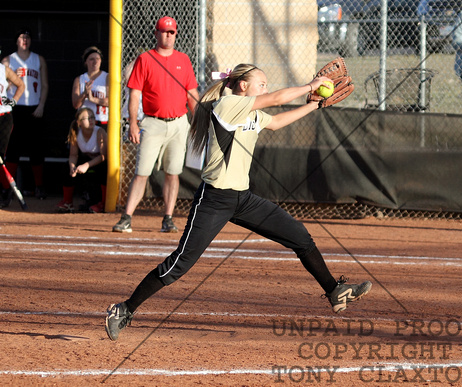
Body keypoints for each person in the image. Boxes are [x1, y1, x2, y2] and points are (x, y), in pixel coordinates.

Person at [104, 64, 373, 341]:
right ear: (243, 85)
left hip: (243, 199)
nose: (265, 89)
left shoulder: (250, 111)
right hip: (214, 200)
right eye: (262, 84)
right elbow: (278, 99)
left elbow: (277, 121)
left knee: (300, 237)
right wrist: (310, 85)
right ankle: (124, 309)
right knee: (180, 263)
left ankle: (334, 291)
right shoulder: (228, 104)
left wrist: (314, 106)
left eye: (266, 85)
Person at [112, 16, 199, 233]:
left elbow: (192, 94)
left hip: (179, 123)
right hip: (152, 123)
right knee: (141, 172)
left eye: (171, 32)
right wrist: (133, 123)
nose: (168, 35)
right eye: (163, 31)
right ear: (156, 33)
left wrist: (198, 121)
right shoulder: (145, 59)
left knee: (173, 172)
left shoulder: (183, 60)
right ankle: (126, 217)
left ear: (175, 34)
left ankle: (168, 218)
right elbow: (134, 95)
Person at [1, 27, 49, 200]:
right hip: (15, 108)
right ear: (16, 41)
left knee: (36, 149)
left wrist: (42, 105)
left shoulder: (38, 59)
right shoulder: (8, 60)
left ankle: (39, 187)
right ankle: (7, 189)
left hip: (34, 107)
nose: (25, 40)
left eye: (27, 37)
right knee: (12, 149)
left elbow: (44, 85)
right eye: (21, 37)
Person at [56, 107, 107, 213]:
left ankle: (103, 203)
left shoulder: (100, 132)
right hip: (87, 161)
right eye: (87, 118)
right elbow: (73, 155)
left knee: (105, 168)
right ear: (79, 122)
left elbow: (103, 156)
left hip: (98, 162)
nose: (91, 120)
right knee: (66, 167)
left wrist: (86, 165)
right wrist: (72, 167)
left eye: (92, 117)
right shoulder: (76, 132)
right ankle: (68, 202)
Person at [0, 58, 25, 208]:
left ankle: (5, 190)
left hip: (4, 117)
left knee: (1, 156)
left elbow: (21, 84)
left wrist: (13, 101)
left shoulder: (4, 70)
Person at [72, 46, 109, 130]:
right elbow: (75, 104)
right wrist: (84, 93)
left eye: (98, 58)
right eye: (91, 59)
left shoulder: (107, 77)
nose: (95, 62)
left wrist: (92, 99)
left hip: (101, 122)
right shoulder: (79, 79)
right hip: (85, 123)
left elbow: (111, 102)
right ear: (86, 62)